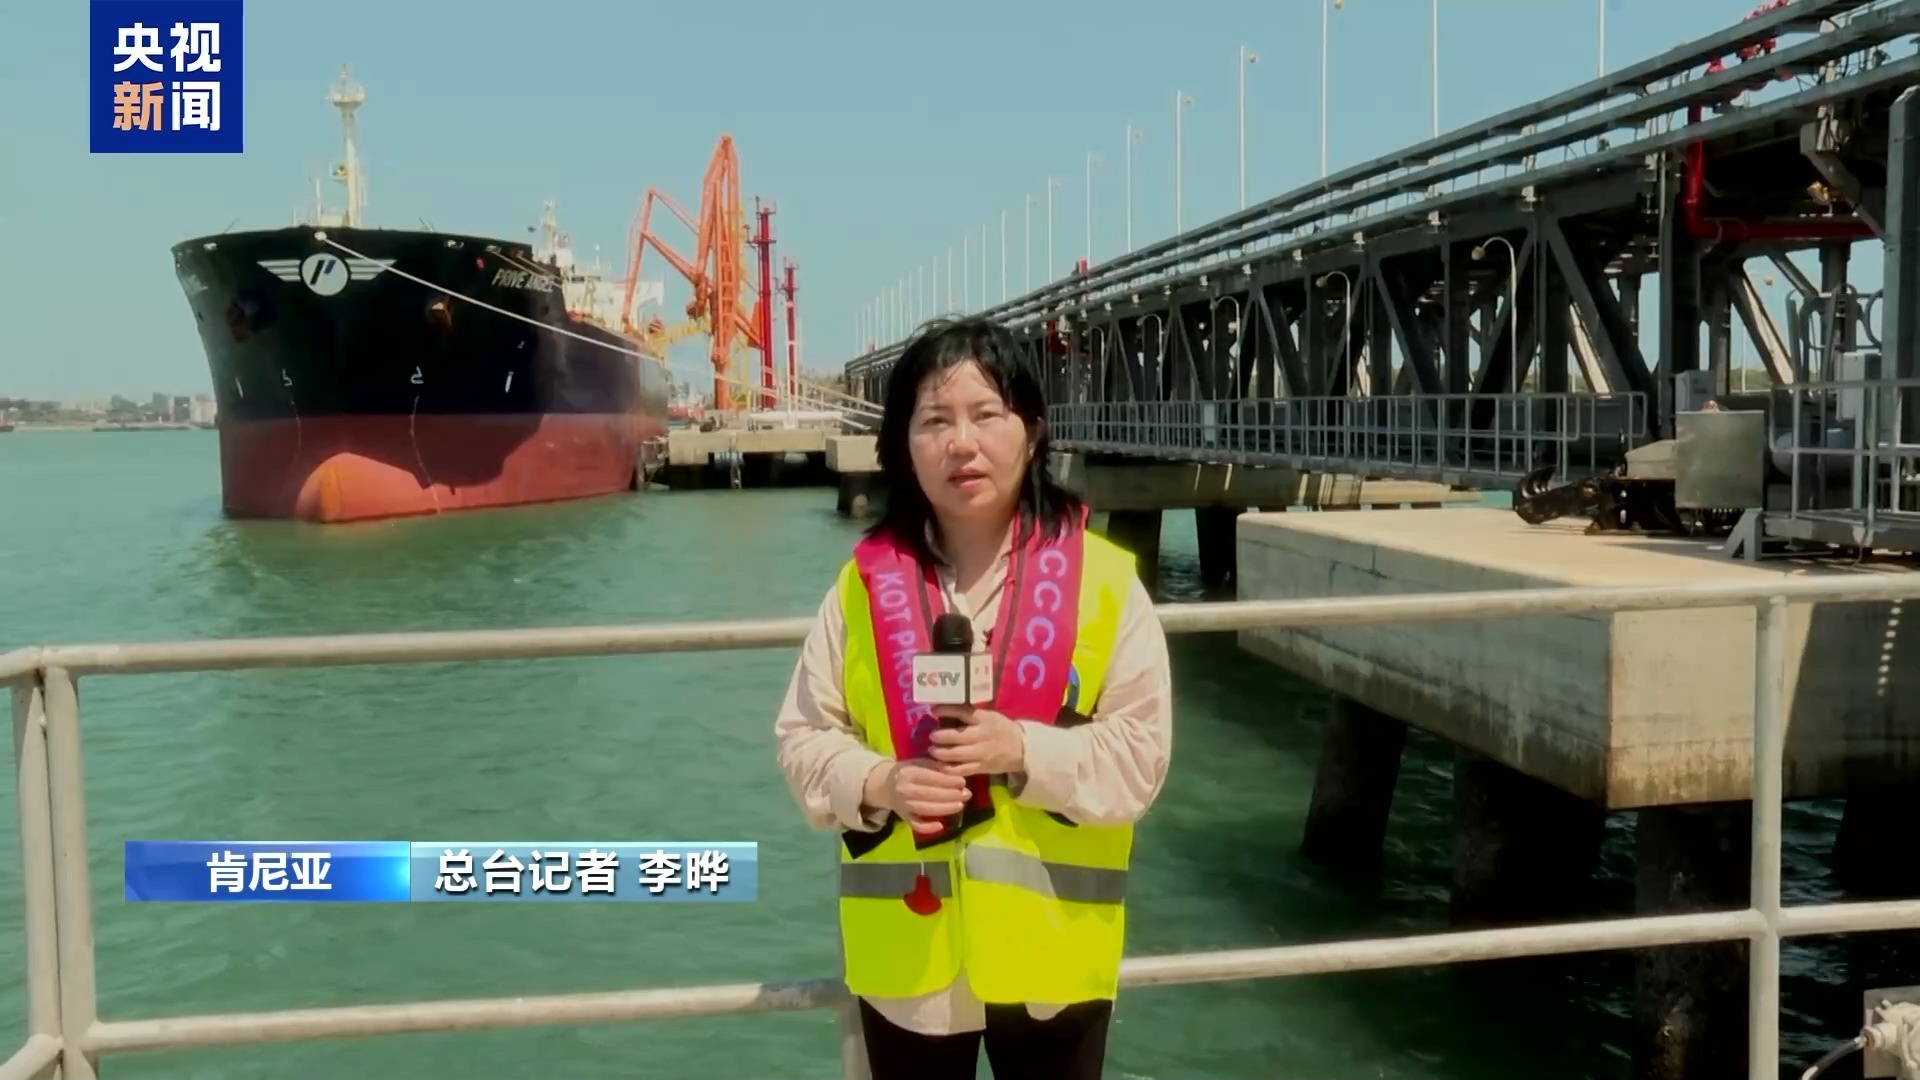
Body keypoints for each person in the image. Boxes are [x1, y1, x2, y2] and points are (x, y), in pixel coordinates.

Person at [773, 316, 1174, 1080]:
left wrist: (1024, 750)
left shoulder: (1107, 584)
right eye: (934, 421)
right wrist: (879, 782)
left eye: (987, 414)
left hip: (1053, 964)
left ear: (1033, 431)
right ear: (902, 445)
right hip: (908, 966)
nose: (962, 443)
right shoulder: (860, 590)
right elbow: (803, 738)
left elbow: (1142, 757)